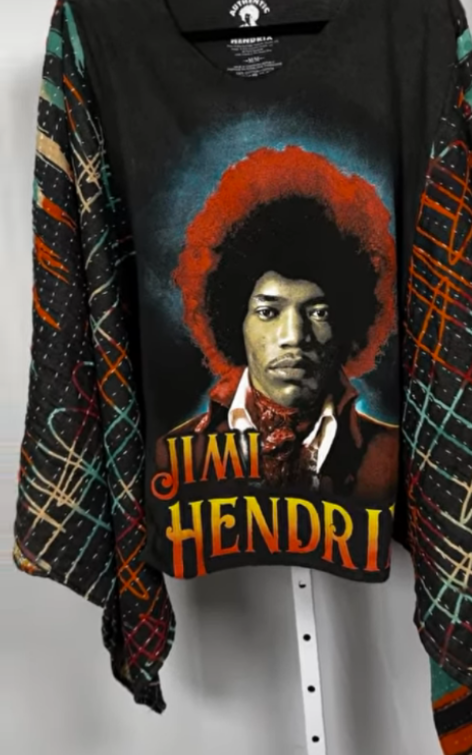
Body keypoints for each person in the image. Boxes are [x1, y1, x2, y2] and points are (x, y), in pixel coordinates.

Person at [153, 146, 399, 504]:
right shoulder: (174, 458)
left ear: (348, 322)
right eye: (269, 312)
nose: (294, 336)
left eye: (318, 313)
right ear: (233, 322)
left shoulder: (390, 457)